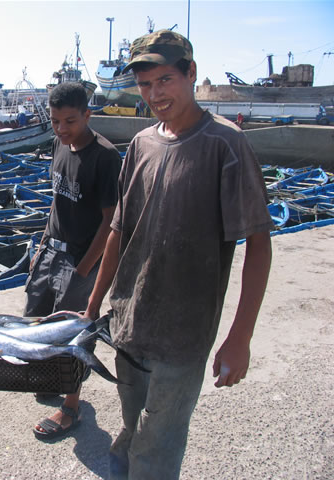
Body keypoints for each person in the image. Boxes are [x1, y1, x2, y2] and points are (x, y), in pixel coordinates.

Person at [83, 30, 273, 479]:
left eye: (165, 79)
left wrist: (240, 336)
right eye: (146, 85)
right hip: (128, 323)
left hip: (183, 336)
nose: (155, 94)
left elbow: (259, 244)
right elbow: (118, 231)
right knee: (132, 428)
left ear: (191, 73)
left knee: (157, 448)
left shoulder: (226, 145)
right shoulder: (142, 146)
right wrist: (91, 309)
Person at [25, 82, 121, 439]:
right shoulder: (58, 145)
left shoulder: (106, 157)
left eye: (70, 121)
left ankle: (71, 406)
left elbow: (112, 220)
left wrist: (83, 270)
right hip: (51, 251)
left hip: (82, 261)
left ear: (87, 115)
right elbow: (58, 200)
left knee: (74, 336)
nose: (62, 129)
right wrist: (43, 245)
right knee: (36, 320)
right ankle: (53, 379)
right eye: (55, 122)